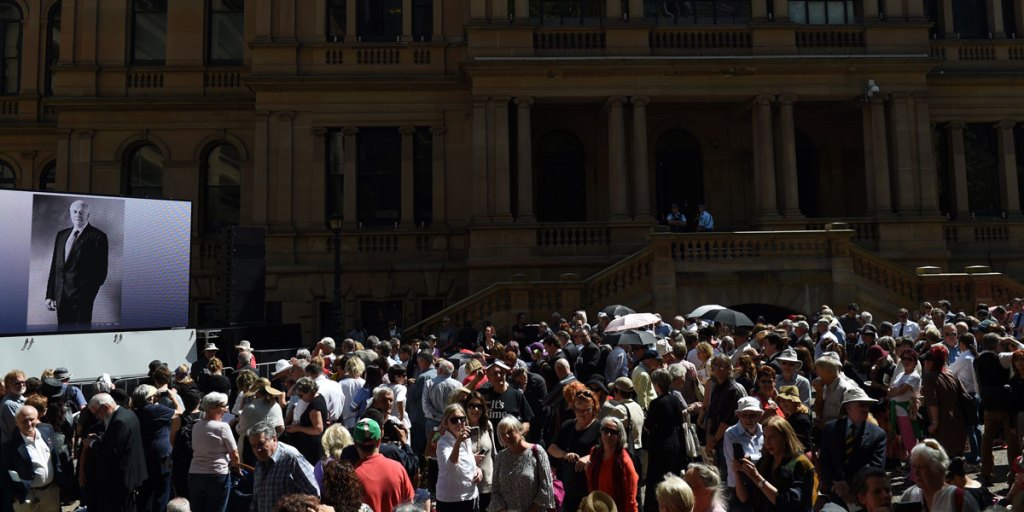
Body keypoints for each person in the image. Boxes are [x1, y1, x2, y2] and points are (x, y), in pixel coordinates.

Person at [44, 199, 108, 328]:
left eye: (82, 212)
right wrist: (50, 295)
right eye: (75, 211)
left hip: (82, 299)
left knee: (81, 337)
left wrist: (86, 296)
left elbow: (101, 273)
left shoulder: (98, 236)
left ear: (88, 215)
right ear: (70, 213)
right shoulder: (61, 235)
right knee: (63, 335)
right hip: (61, 296)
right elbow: (55, 268)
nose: (78, 214)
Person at [818, 387, 886, 509]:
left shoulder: (878, 434)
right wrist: (837, 484)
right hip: (834, 493)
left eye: (867, 405)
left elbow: (876, 465)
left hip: (862, 494)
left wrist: (848, 484)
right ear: (848, 407)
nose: (866, 409)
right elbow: (824, 460)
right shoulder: (831, 429)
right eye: (861, 405)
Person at [733, 416, 818, 512]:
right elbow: (744, 498)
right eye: (764, 437)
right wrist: (738, 474)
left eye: (772, 437)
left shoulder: (799, 463)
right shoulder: (765, 461)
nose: (767, 442)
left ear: (785, 438)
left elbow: (789, 503)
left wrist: (757, 478)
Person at [83, 393, 148, 512]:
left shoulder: (119, 421)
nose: (97, 418)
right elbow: (118, 441)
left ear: (105, 407)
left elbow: (111, 452)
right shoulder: (128, 413)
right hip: (130, 476)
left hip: (122, 480)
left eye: (97, 414)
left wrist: (92, 443)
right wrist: (100, 438)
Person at [644, 369, 696, 512]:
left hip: (660, 446)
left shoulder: (656, 403)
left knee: (657, 480)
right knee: (672, 477)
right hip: (675, 443)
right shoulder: (675, 399)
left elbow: (648, 426)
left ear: (657, 384)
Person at [0, 405, 65, 511]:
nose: (29, 424)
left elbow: (55, 457)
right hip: (27, 497)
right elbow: (4, 474)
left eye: (31, 419)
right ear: (17, 423)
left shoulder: (47, 430)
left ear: (37, 418)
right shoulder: (9, 447)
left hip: (50, 493)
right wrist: (15, 496)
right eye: (24, 421)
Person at [133, 384, 183, 512]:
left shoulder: (135, 412)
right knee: (162, 490)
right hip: (161, 455)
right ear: (150, 398)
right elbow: (180, 412)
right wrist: (173, 398)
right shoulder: (158, 410)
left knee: (146, 490)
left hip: (143, 454)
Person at [247, 422, 319, 512]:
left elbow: (313, 493)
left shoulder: (291, 459)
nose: (257, 450)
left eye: (261, 444)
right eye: (253, 446)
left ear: (274, 439)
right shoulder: (259, 463)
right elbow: (256, 499)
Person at [488, 416, 554, 512]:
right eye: (503, 434)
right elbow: (495, 491)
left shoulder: (537, 451)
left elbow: (546, 487)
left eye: (510, 432)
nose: (506, 436)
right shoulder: (500, 457)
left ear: (519, 431)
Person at [549, 389, 600, 512]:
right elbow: (551, 448)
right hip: (567, 487)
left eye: (586, 410)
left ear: (593, 408)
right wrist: (565, 454)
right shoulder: (568, 425)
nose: (582, 414)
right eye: (578, 410)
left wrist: (588, 457)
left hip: (588, 486)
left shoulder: (600, 427)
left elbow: (604, 451)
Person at [188, 391, 240, 512]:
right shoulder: (222, 427)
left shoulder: (196, 426)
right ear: (212, 407)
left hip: (195, 474)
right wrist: (237, 470)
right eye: (223, 406)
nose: (226, 410)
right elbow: (235, 454)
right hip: (217, 475)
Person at [899, 439, 980, 512]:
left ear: (937, 468)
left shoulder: (957, 499)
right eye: (913, 466)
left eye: (922, 467)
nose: (916, 472)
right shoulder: (909, 496)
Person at [351, 418, 414, 512]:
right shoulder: (398, 468)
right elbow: (410, 503)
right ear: (379, 441)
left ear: (355, 444)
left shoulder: (353, 476)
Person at [919, 344, 967, 458]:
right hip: (958, 422)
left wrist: (934, 423)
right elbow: (964, 395)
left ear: (932, 362)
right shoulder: (951, 374)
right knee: (956, 460)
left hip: (942, 426)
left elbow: (933, 402)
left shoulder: (929, 378)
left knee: (942, 461)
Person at [586, 416, 638, 512]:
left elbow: (631, 498)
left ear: (619, 436)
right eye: (605, 430)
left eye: (614, 432)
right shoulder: (595, 452)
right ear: (600, 432)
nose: (608, 435)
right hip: (597, 507)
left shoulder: (624, 462)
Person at [436, 404, 480, 511]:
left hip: (471, 496)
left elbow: (467, 463)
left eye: (462, 419)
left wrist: (478, 470)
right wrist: (458, 442)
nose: (459, 423)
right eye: (454, 420)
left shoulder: (466, 439)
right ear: (446, 423)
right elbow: (451, 467)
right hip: (451, 500)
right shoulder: (443, 443)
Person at [236, 378, 285, 465]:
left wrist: (236, 427)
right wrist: (270, 438)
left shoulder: (249, 408)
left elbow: (242, 430)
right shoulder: (275, 405)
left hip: (251, 447)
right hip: (271, 445)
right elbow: (280, 428)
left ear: (256, 391)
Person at [283, 377, 327, 465]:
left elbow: (318, 429)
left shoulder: (314, 407)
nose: (301, 399)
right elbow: (289, 394)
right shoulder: (318, 396)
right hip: (312, 443)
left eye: (301, 395)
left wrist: (298, 428)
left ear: (309, 392)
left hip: (312, 446)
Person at [462, 391, 494, 510]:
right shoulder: (460, 428)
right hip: (467, 485)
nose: (475, 409)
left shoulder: (488, 425)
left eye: (479, 406)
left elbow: (493, 453)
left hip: (488, 485)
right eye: (472, 405)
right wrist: (471, 458)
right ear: (465, 407)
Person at [774, 386, 811, 452]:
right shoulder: (789, 415)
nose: (783, 404)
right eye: (781, 400)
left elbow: (806, 446)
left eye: (788, 400)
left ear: (795, 402)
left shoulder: (801, 420)